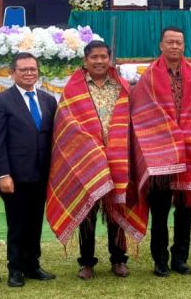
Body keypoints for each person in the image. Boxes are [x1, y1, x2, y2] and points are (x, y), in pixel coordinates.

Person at [129, 27, 191, 276]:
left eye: (179, 43)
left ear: (184, 46)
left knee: (185, 211)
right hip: (159, 155)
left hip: (190, 154)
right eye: (170, 42)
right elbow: (141, 113)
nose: (174, 46)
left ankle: (180, 258)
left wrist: (189, 136)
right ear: (161, 45)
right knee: (160, 213)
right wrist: (168, 135)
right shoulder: (149, 77)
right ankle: (160, 260)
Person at [46, 40, 134, 279]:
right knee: (87, 211)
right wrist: (90, 149)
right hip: (87, 158)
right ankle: (86, 262)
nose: (99, 61)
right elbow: (66, 122)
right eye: (94, 57)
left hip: (118, 156)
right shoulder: (73, 89)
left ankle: (119, 259)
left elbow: (130, 118)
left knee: (117, 208)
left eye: (103, 57)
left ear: (109, 59)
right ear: (85, 61)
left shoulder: (121, 86)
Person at [0, 52, 58, 287]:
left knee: (35, 221)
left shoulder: (48, 100)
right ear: (12, 73)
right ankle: (15, 269)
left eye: (33, 69)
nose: (29, 73)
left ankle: (32, 264)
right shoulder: (1, 101)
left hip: (42, 173)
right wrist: (3, 174)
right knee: (17, 223)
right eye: (23, 69)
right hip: (15, 176)